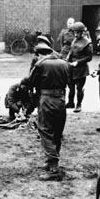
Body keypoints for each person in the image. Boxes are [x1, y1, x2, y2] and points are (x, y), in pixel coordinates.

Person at [28, 43, 70, 181]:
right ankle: (52, 160)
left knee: (45, 130)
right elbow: (69, 81)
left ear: (39, 53)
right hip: (61, 99)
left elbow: (31, 82)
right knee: (57, 131)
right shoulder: (64, 63)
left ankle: (53, 167)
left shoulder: (40, 64)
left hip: (46, 99)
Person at [66, 22, 93, 113]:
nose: (76, 34)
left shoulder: (87, 43)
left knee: (79, 88)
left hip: (81, 69)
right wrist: (68, 57)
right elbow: (72, 49)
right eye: (75, 32)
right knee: (71, 86)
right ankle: (70, 102)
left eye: (78, 32)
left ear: (82, 32)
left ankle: (78, 105)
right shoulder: (74, 40)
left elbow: (89, 57)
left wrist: (78, 62)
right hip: (72, 67)